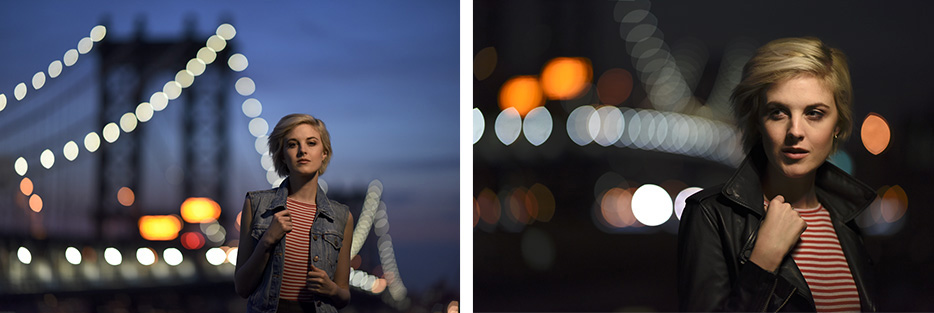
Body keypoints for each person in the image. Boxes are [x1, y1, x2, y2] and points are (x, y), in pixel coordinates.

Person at [678, 37, 878, 311]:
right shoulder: (711, 216)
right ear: (757, 122)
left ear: (838, 124)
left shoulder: (848, 221)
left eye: (815, 113)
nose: (795, 131)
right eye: (778, 113)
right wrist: (762, 262)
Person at [236, 113, 353, 313]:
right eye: (292, 144)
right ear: (282, 155)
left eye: (311, 143)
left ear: (324, 152)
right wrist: (267, 241)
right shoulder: (255, 204)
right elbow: (242, 287)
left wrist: (332, 289)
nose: (302, 151)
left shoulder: (342, 217)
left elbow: (344, 296)